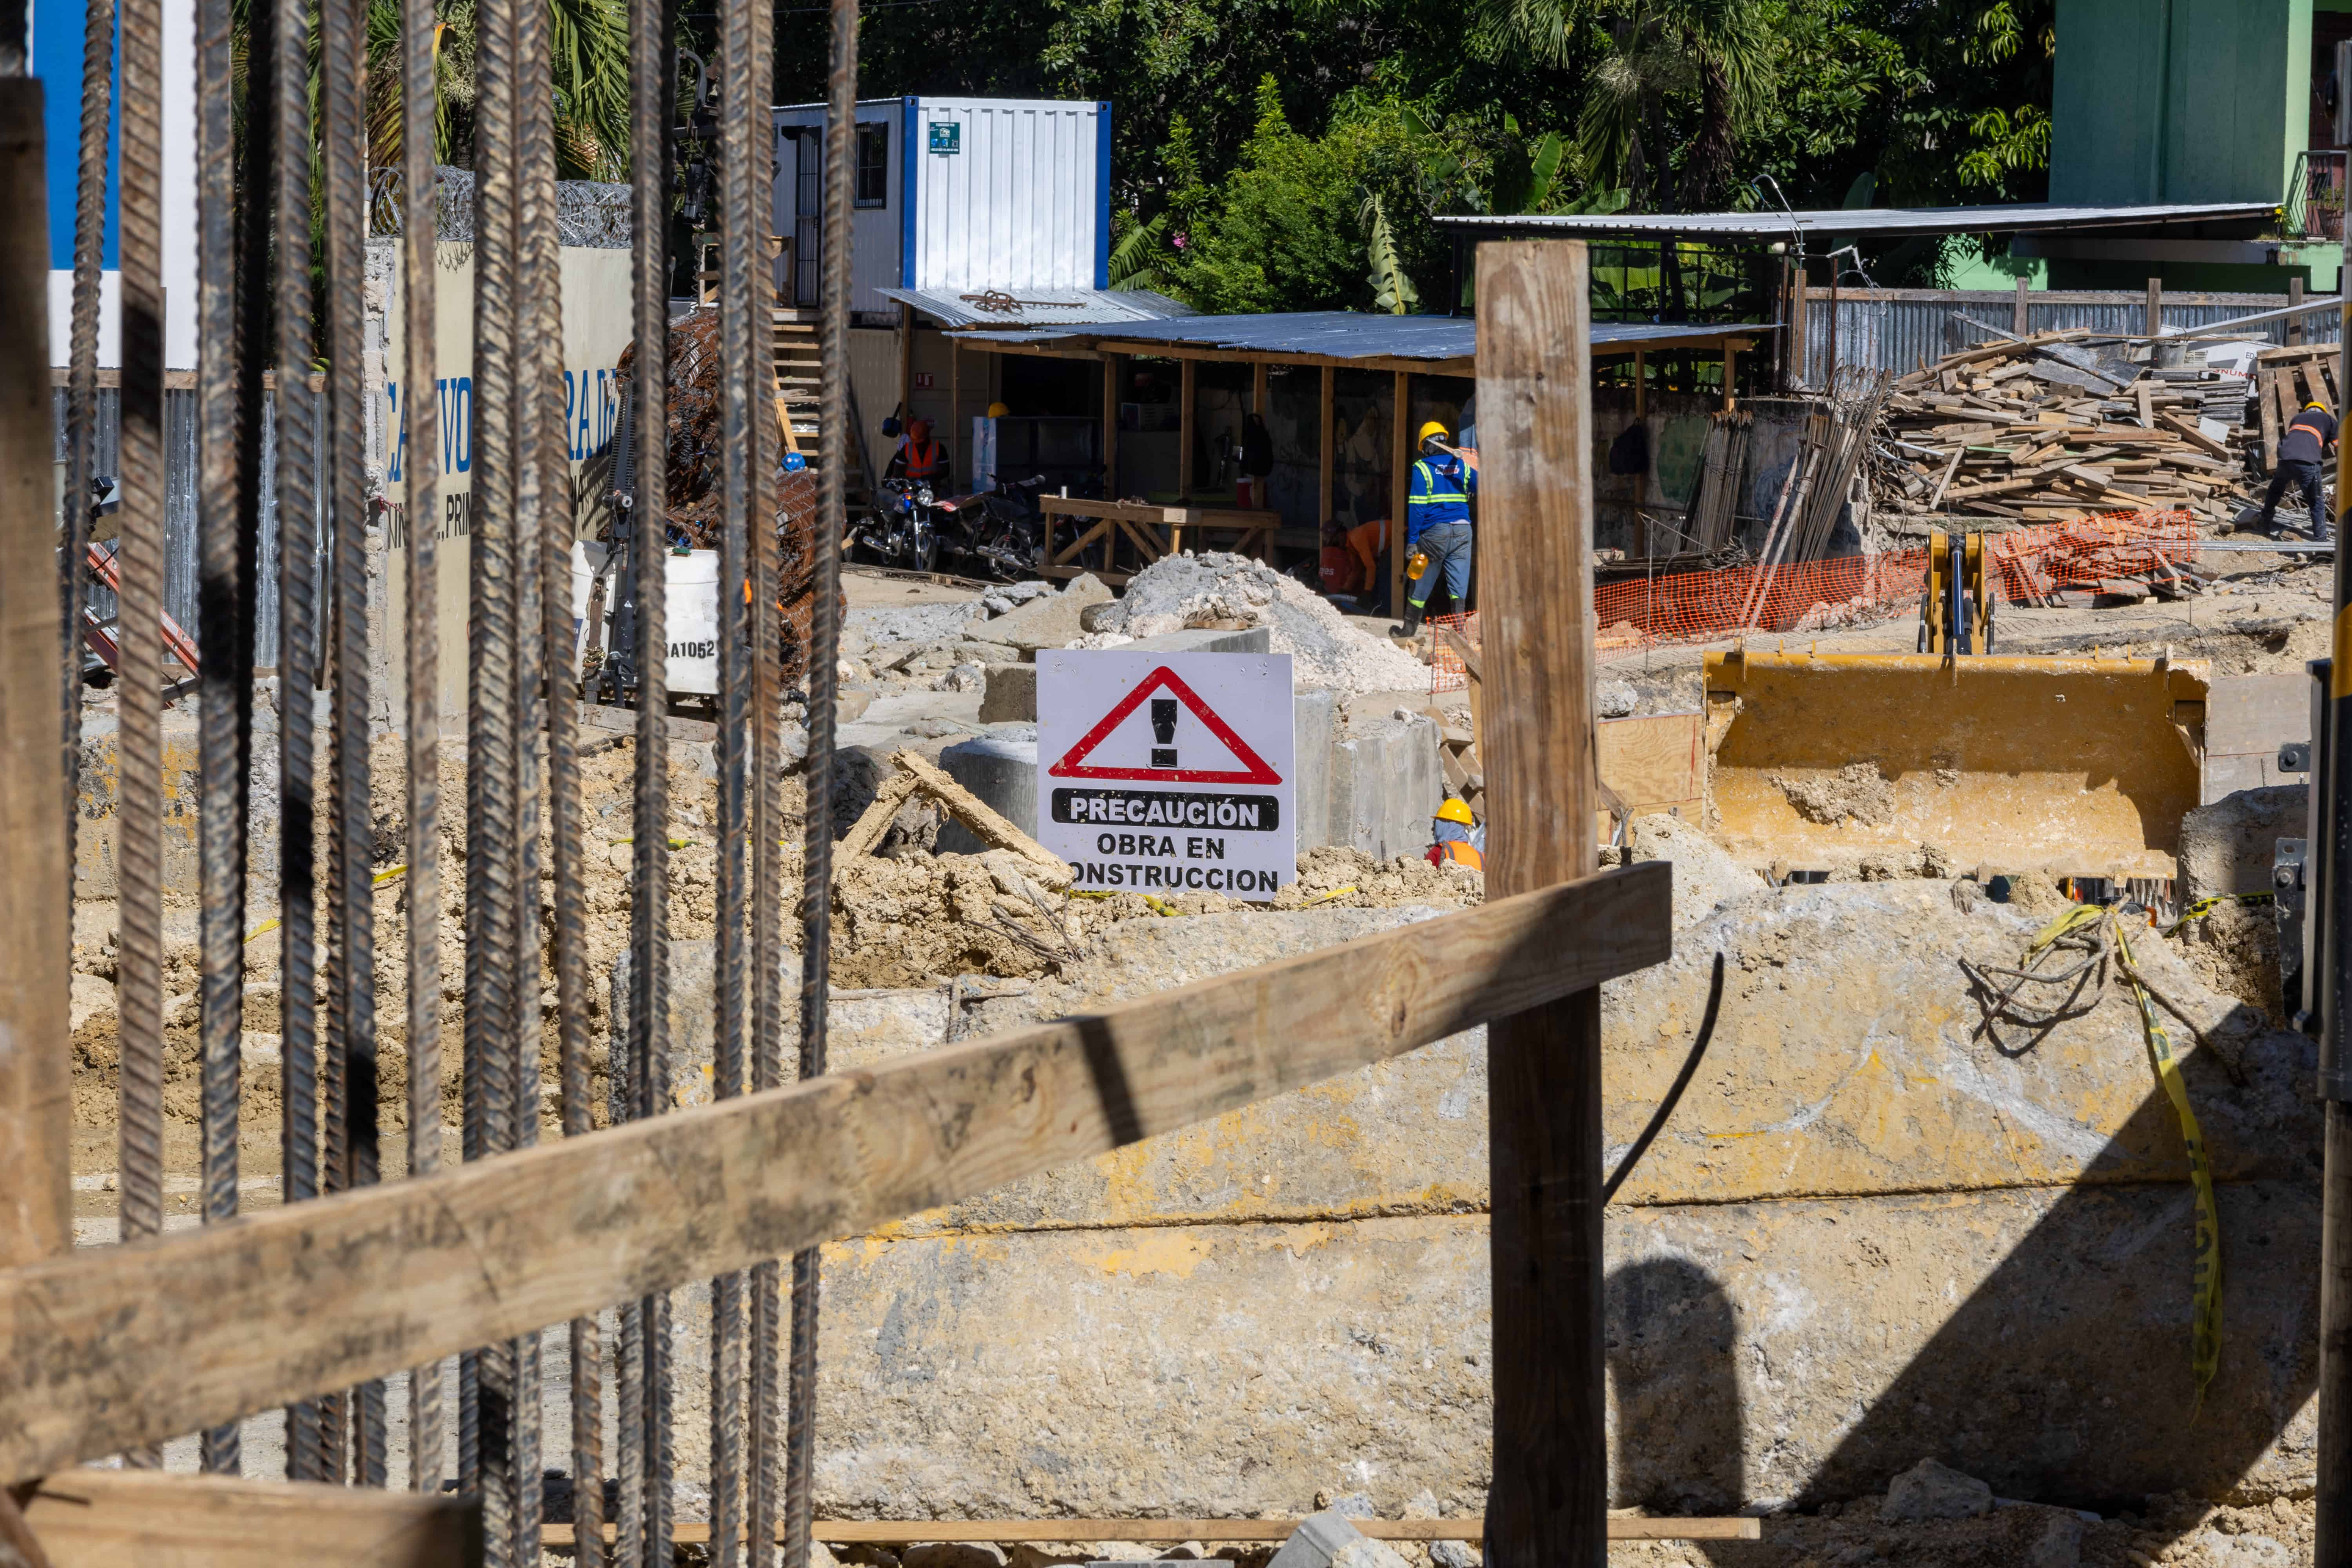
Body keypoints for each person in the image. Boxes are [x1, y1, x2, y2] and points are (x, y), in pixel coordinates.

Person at [1402, 420, 1477, 632]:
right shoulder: (1461, 465)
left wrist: (1413, 541)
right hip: (1463, 533)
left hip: (1434, 536)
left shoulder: (1422, 467)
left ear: (1427, 445)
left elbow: (1417, 507)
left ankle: (1407, 632)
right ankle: (1460, 633)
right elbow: (1480, 485)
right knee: (1459, 585)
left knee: (1419, 579)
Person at [2258, 399, 2338, 539]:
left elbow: (2297, 439)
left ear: (2307, 411)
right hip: (2307, 461)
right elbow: (2339, 445)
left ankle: (2264, 525)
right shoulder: (2328, 419)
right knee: (2316, 501)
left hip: (2285, 458)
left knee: (2275, 491)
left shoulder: (2297, 418)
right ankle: (2321, 544)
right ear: (2322, 411)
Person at [887, 417, 950, 487]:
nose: (918, 445)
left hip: (931, 489)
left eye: (921, 442)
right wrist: (907, 481)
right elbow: (897, 471)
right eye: (916, 442)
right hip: (911, 488)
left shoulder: (939, 448)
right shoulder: (907, 449)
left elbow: (945, 471)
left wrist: (930, 478)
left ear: (927, 437)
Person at [1425, 796, 1484, 871]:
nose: (1433, 829)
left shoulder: (1438, 852)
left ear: (1444, 825)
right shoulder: (1481, 857)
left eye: (1436, 824)